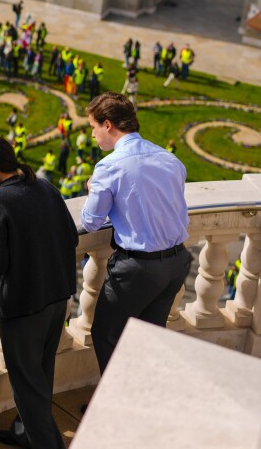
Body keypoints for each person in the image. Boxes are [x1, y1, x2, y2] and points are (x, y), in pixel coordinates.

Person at [0, 136, 77, 449]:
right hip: (57, 298)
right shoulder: (45, 187)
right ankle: (23, 433)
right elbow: (70, 236)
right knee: (41, 378)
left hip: (23, 308)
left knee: (28, 390)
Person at [80, 93, 190, 374]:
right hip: (177, 262)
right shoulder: (169, 158)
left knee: (105, 334)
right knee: (147, 341)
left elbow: (91, 222)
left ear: (108, 125)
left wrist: (93, 189)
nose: (92, 135)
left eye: (92, 127)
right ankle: (140, 398)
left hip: (139, 268)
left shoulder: (109, 166)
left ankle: (114, 405)